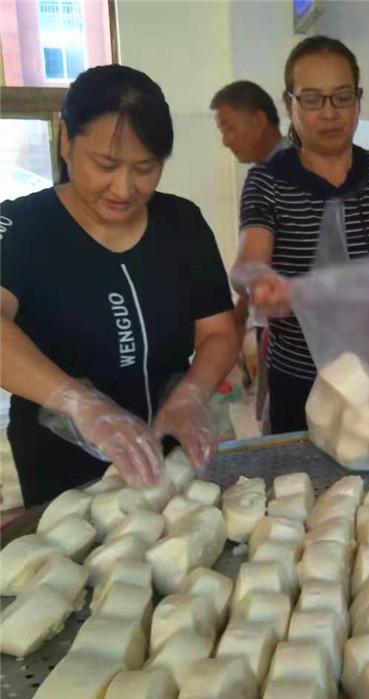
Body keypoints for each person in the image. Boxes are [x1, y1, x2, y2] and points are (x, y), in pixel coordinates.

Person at [0, 65, 239, 506]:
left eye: (145, 168)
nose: (124, 189)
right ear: (66, 139)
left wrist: (191, 394)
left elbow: (219, 332)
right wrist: (80, 404)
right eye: (106, 165)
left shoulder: (182, 224)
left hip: (172, 461)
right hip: (62, 476)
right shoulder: (20, 228)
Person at [235, 36, 369, 434]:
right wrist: (258, 281)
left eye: (342, 97)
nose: (330, 113)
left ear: (358, 101)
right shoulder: (268, 181)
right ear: (290, 104)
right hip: (301, 379)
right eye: (313, 99)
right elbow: (250, 258)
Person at [211, 80, 290, 165]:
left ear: (259, 121)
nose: (225, 142)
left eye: (229, 129)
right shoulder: (266, 168)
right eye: (222, 132)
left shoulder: (294, 166)